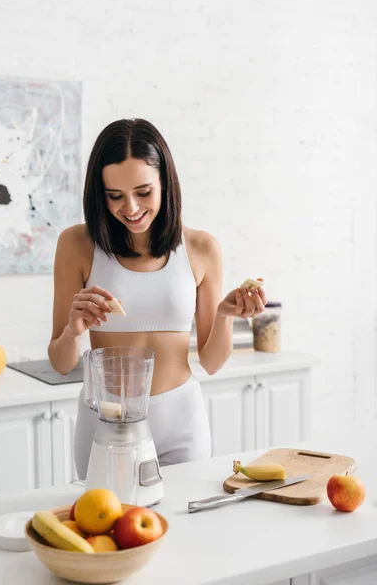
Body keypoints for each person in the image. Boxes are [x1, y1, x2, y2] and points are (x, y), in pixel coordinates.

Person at [48, 118, 266, 478]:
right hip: (104, 422)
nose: (130, 208)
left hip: (181, 420)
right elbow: (59, 362)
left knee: (186, 529)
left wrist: (226, 314)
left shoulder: (201, 248)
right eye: (114, 196)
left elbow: (211, 362)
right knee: (104, 529)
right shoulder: (77, 245)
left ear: (166, 181)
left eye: (143, 192)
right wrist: (73, 331)